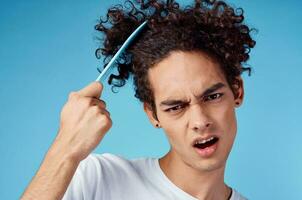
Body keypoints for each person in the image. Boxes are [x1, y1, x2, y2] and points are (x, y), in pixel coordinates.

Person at [21, 0, 256, 199]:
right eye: (176, 107)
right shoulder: (96, 179)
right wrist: (65, 149)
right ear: (153, 115)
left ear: (237, 91)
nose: (199, 121)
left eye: (212, 96)